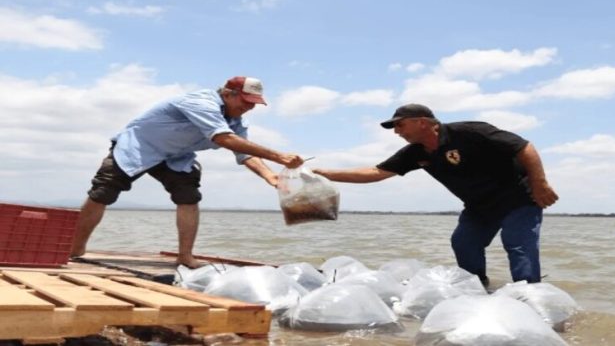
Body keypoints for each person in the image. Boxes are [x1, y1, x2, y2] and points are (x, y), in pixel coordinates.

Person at [71, 76, 305, 268]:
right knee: (103, 192)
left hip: (175, 157)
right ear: (227, 94)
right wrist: (278, 156)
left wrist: (269, 176)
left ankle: (185, 256)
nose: (249, 107)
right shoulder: (202, 102)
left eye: (254, 103)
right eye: (245, 101)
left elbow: (245, 154)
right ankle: (75, 249)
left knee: (189, 197)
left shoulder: (235, 122)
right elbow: (223, 139)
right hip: (140, 146)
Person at [313, 103, 558, 286]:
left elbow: (524, 147)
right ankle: (477, 288)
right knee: (463, 242)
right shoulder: (414, 153)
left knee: (517, 245)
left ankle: (529, 295)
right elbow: (376, 172)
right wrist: (325, 174)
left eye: (400, 124)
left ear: (422, 122)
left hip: (518, 198)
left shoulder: (471, 132)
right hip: (479, 207)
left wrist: (540, 183)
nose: (396, 131)